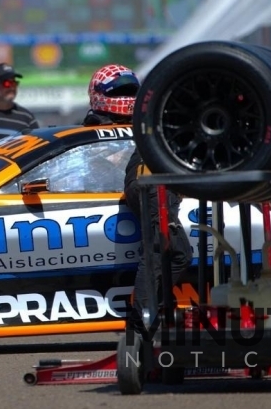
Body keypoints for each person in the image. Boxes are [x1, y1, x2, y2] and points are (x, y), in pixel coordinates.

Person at [81, 63, 191, 334]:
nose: (127, 96)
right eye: (119, 91)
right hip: (143, 187)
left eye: (130, 90)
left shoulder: (144, 125)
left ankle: (150, 316)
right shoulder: (94, 129)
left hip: (153, 188)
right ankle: (142, 323)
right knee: (163, 252)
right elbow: (95, 167)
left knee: (175, 254)